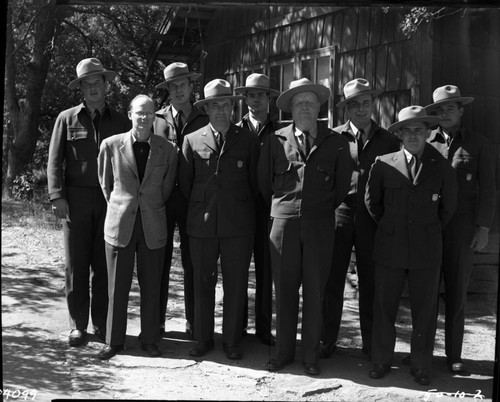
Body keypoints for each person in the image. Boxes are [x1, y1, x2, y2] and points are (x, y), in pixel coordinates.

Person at [258, 78, 352, 376]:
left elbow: (340, 187)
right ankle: (283, 353)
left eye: (310, 103)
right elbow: (263, 184)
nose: (305, 108)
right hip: (283, 227)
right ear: (291, 109)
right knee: (284, 292)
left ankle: (310, 356)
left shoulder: (336, 142)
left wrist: (316, 210)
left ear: (319, 108)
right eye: (299, 104)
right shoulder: (275, 140)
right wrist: (285, 210)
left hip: (320, 226)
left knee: (314, 292)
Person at [365, 106, 457, 385]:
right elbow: (373, 203)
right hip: (390, 247)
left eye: (420, 130)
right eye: (408, 130)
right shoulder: (383, 163)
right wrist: (393, 227)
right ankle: (381, 361)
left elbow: (447, 209)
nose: (414, 135)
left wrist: (424, 230)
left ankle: (421, 365)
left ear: (429, 133)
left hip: (426, 249)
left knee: (425, 310)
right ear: (400, 134)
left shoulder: (441, 165)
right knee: (383, 307)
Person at [47, 58, 131, 347]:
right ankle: (77, 325)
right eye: (87, 84)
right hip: (76, 200)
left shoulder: (122, 121)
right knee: (76, 264)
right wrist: (57, 195)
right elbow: (55, 160)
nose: (93, 88)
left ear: (106, 86)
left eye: (98, 82)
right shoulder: (66, 118)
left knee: (104, 264)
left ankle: (101, 324)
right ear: (80, 89)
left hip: (111, 201)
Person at [178, 79, 260, 360]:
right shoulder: (191, 139)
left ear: (233, 108)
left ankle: (232, 340)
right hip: (201, 224)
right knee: (202, 281)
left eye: (226, 105)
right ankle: (203, 337)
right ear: (207, 109)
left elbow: (254, 183)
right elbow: (185, 184)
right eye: (216, 106)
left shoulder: (249, 140)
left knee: (236, 283)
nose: (222, 111)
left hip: (238, 225)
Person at [321, 78, 401, 359]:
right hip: (340, 213)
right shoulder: (333, 137)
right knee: (332, 279)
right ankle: (326, 340)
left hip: (372, 217)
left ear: (373, 104)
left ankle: (371, 344)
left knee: (371, 281)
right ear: (347, 108)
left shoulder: (389, 140)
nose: (361, 109)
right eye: (355, 104)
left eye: (366, 103)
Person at [96, 95, 178, 360]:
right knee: (116, 287)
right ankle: (113, 340)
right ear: (130, 114)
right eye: (139, 113)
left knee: (152, 286)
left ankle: (150, 340)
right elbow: (106, 185)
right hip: (121, 223)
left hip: (153, 223)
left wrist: (148, 206)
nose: (144, 118)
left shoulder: (168, 149)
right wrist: (124, 206)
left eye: (149, 113)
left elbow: (166, 188)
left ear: (156, 116)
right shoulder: (110, 145)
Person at [425, 85, 496, 374]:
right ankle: (422, 352)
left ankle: (454, 355)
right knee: (426, 293)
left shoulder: (479, 145)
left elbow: (488, 190)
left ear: (461, 111)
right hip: (429, 230)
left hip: (462, 232)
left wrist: (483, 228)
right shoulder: (426, 142)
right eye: (440, 110)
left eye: (450, 109)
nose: (445, 114)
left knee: (456, 295)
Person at [154, 62, 209, 337]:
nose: (178, 90)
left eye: (183, 85)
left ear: (191, 87)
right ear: (168, 90)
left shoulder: (204, 117)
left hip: (193, 201)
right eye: (173, 86)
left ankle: (193, 321)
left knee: (193, 262)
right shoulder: (157, 119)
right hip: (162, 201)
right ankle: (158, 321)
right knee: (160, 261)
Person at [234, 73, 281, 346]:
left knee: (265, 269)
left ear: (269, 98)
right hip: (240, 209)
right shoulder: (235, 130)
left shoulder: (280, 131)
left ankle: (264, 329)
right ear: (245, 99)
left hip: (269, 209)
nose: (255, 100)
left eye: (260, 95)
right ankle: (237, 326)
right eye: (250, 95)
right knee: (239, 268)